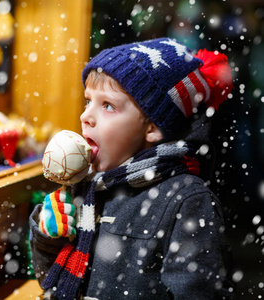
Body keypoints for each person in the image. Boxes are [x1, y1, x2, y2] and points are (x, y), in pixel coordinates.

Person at [29, 37, 235, 300]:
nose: (86, 116)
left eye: (107, 106)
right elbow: (51, 280)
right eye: (88, 101)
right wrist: (50, 239)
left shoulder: (187, 201)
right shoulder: (86, 186)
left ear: (152, 128)